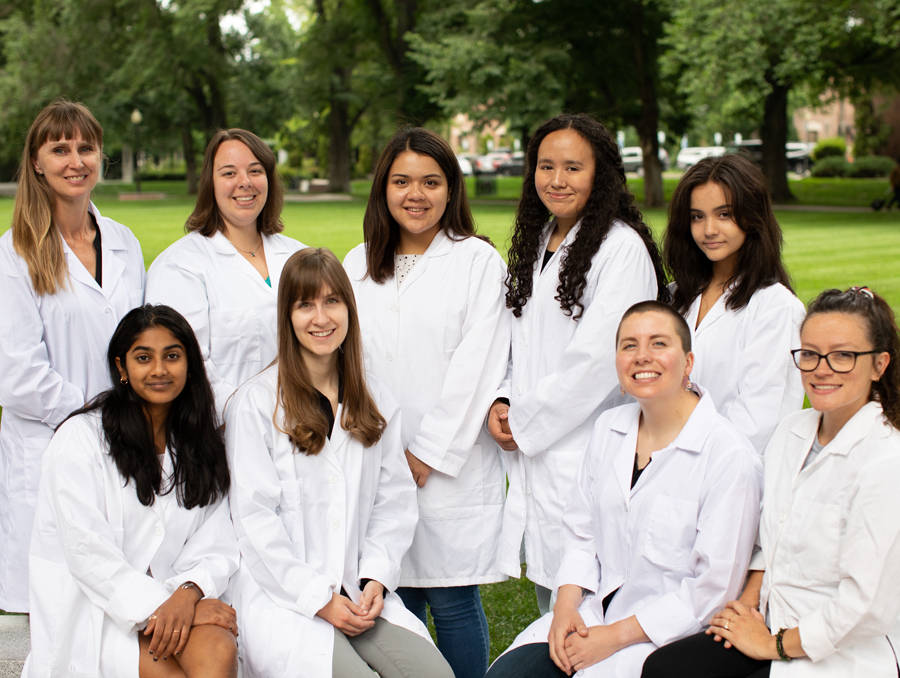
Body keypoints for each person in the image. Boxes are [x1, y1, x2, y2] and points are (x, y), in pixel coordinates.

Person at [487, 301, 763, 678]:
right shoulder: (609, 429)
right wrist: (565, 608)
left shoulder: (729, 456)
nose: (642, 356)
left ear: (688, 362)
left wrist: (612, 637)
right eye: (629, 345)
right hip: (588, 615)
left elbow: (710, 590)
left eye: (659, 344)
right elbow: (580, 534)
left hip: (663, 638)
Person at [642, 286, 900, 678]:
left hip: (840, 650)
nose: (821, 368)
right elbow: (770, 537)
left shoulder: (886, 457)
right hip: (768, 618)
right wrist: (745, 606)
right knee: (666, 668)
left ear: (879, 365)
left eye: (843, 355)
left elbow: (866, 605)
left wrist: (772, 645)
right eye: (810, 354)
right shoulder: (791, 431)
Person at [226, 248, 455, 678]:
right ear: (287, 317)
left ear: (349, 309)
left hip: (357, 590)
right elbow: (255, 523)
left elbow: (394, 501)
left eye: (332, 301)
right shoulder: (257, 405)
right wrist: (319, 599)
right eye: (305, 304)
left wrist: (377, 578)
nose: (321, 317)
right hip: (286, 600)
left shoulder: (376, 401)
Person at [343, 127, 510, 678]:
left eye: (431, 182)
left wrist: (426, 453)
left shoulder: (477, 263)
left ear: (451, 189)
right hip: (374, 455)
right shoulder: (357, 264)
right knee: (395, 600)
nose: (416, 195)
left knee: (453, 600)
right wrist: (383, 453)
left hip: (448, 464)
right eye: (402, 181)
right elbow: (344, 359)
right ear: (383, 189)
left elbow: (478, 367)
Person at [487, 113, 666, 613]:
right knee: (554, 601)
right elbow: (517, 341)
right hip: (539, 447)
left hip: (590, 447)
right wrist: (502, 397)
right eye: (546, 167)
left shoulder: (620, 249)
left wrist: (523, 420)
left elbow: (598, 361)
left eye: (572, 167)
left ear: (601, 174)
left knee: (592, 604)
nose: (557, 180)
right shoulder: (540, 238)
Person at [23, 304, 240, 677]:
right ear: (122, 368)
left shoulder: (197, 442)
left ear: (189, 366)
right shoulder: (81, 439)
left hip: (177, 596)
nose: (159, 369)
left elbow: (218, 538)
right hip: (99, 612)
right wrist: (165, 604)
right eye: (144, 358)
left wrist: (188, 594)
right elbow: (88, 554)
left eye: (172, 356)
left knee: (218, 649)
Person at [0, 100, 145, 613]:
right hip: (51, 447)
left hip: (126, 445)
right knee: (51, 610)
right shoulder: (13, 252)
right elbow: (17, 375)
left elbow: (140, 346)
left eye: (86, 147)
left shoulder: (124, 243)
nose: (75, 160)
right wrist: (100, 415)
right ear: (36, 162)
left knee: (116, 609)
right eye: (59, 148)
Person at [145, 128, 306, 422]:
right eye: (229, 173)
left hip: (304, 428)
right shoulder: (180, 266)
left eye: (255, 171)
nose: (244, 183)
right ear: (210, 183)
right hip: (223, 435)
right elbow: (187, 365)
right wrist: (250, 420)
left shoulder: (300, 257)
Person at [664, 153, 805, 453]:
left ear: (752, 217)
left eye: (724, 214)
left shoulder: (776, 308)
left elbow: (757, 424)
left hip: (731, 478)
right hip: (663, 467)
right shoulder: (674, 296)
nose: (709, 229)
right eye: (697, 216)